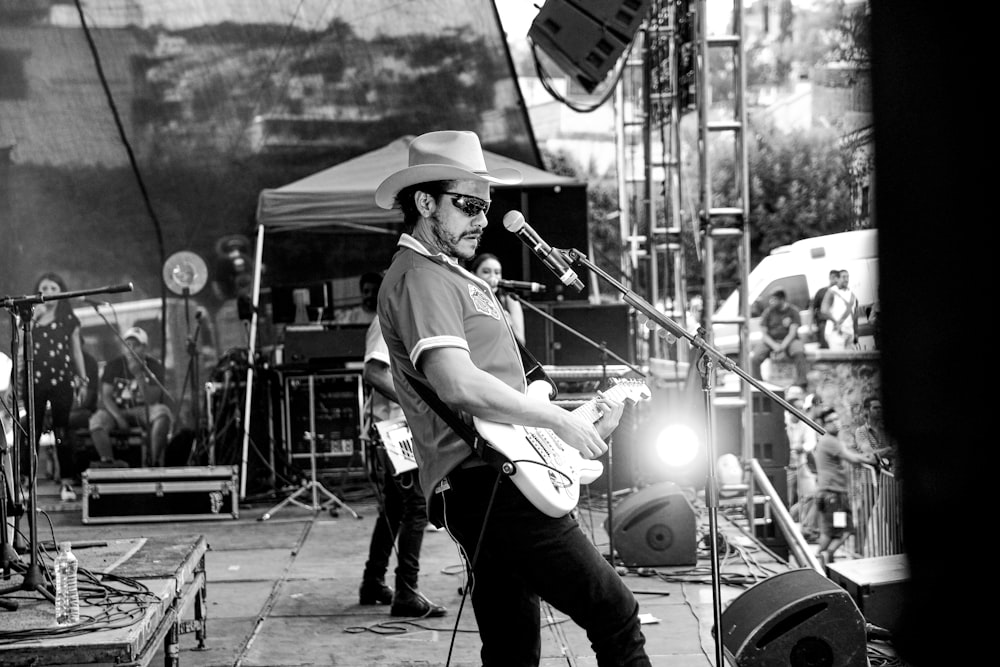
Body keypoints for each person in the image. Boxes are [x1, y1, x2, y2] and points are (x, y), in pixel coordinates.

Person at [374, 130, 650, 666]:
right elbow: (457, 384)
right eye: (468, 205)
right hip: (489, 481)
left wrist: (582, 421)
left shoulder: (448, 274)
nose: (482, 218)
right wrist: (558, 420)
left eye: (486, 205)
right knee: (615, 614)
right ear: (425, 202)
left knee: (511, 649)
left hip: (493, 476)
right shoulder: (422, 277)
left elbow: (510, 392)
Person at [358, 312, 447, 618]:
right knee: (416, 506)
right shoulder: (388, 318)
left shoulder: (406, 317)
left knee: (395, 507)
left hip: (398, 425)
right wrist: (417, 405)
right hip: (396, 427)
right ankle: (406, 591)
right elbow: (373, 372)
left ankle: (372, 582)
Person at [24, 273, 89, 502]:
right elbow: (22, 349)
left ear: (61, 291)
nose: (49, 291)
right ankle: (26, 481)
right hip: (35, 381)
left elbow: (76, 350)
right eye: (44, 287)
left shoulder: (68, 318)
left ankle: (67, 482)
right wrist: (32, 319)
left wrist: (82, 378)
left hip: (61, 380)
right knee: (30, 430)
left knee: (63, 431)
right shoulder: (29, 317)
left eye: (53, 287)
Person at [88, 326, 173, 467]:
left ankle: (154, 461)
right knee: (97, 421)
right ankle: (108, 461)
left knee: (163, 413)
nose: (131, 349)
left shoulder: (154, 366)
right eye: (128, 344)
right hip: (117, 410)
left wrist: (139, 375)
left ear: (145, 348)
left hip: (143, 409)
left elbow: (151, 399)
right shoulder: (113, 365)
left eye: (136, 345)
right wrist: (119, 417)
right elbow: (106, 396)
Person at [813, 407, 875, 566]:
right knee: (843, 530)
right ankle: (825, 557)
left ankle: (818, 561)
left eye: (836, 419)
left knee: (832, 531)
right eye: (830, 421)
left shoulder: (830, 441)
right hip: (834, 496)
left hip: (831, 494)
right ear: (823, 424)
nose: (835, 423)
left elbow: (850, 456)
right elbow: (851, 458)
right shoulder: (830, 441)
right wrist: (872, 459)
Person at [749, 288, 809, 389]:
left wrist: (782, 346)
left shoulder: (793, 311)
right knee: (754, 357)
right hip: (771, 341)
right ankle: (758, 383)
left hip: (789, 341)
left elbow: (792, 333)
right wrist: (774, 345)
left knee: (799, 351)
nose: (771, 302)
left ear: (782, 299)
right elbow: (764, 334)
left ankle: (801, 381)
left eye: (774, 299)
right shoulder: (768, 312)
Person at [469, 252, 526, 345]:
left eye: (497, 273)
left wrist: (509, 325)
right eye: (486, 272)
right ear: (473, 275)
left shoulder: (510, 300)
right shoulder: (467, 300)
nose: (493, 277)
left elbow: (521, 343)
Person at [854, 395, 894, 472]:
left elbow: (895, 452)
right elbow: (868, 453)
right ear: (866, 410)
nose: (879, 410)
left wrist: (878, 453)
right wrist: (888, 449)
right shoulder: (861, 431)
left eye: (880, 408)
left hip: (888, 478)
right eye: (875, 408)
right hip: (870, 478)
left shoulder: (887, 431)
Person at [821, 269, 859, 351]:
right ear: (837, 279)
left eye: (847, 277)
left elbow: (855, 314)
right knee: (840, 361)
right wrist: (836, 323)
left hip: (849, 332)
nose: (846, 279)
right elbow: (824, 310)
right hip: (836, 332)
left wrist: (856, 332)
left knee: (851, 362)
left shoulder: (851, 293)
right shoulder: (832, 292)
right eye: (843, 277)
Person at [811, 270, 839, 349]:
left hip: (840, 323)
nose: (835, 280)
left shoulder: (844, 293)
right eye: (833, 277)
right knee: (827, 348)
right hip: (825, 323)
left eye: (837, 278)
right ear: (829, 278)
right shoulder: (821, 292)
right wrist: (810, 326)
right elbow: (812, 309)